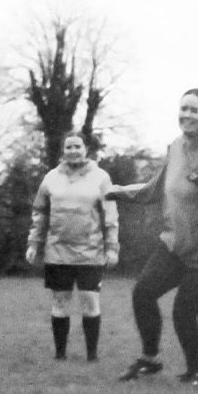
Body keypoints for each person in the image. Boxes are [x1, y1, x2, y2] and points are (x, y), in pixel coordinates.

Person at [110, 89, 198, 384]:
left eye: (195, 110)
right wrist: (117, 192)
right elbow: (156, 189)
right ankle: (150, 359)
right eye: (183, 109)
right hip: (175, 245)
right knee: (143, 293)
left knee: (183, 311)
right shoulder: (176, 147)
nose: (187, 115)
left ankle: (196, 372)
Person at [25, 133, 120, 364]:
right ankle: (60, 354)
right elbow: (39, 214)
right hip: (58, 252)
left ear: (86, 149)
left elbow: (111, 216)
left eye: (78, 146)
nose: (73, 151)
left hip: (90, 252)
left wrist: (112, 247)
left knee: (89, 299)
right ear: (63, 151)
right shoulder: (50, 178)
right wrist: (34, 243)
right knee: (60, 301)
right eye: (69, 147)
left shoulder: (101, 178)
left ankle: (92, 355)